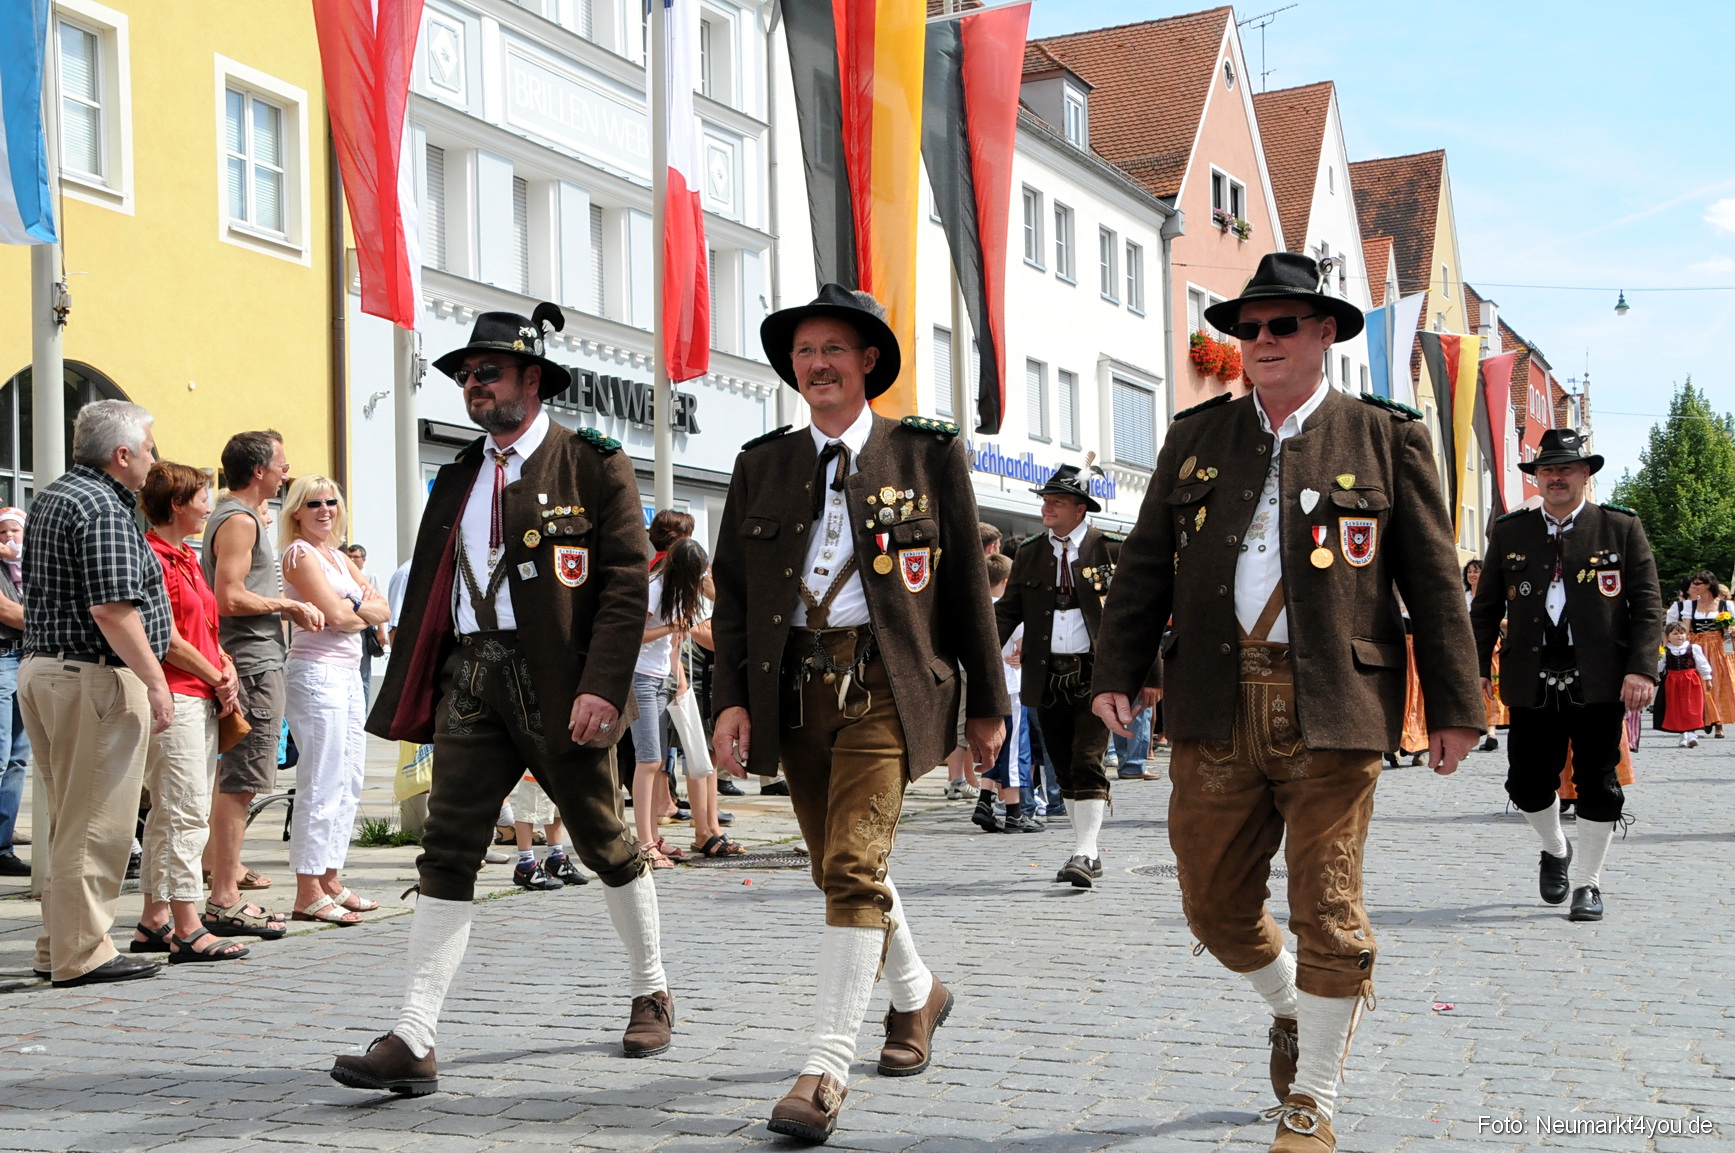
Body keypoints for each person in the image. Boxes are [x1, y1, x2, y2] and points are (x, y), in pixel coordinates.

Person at [1091, 252, 1484, 1153]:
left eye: (1280, 325)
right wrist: (1118, 668)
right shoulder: (1195, 437)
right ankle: (1289, 1010)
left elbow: (1431, 578)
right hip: (1213, 702)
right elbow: (1146, 563)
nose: (1259, 340)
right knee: (1214, 906)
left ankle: (1311, 1099)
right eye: (1247, 327)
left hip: (1334, 703)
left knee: (1328, 903)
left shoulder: (1382, 436)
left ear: (1324, 333)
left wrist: (1459, 702)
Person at [333, 302, 668, 1097]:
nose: (473, 385)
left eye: (487, 372)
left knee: (603, 838)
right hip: (472, 675)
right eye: (463, 376)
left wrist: (602, 687)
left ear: (530, 378)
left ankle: (651, 986)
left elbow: (623, 586)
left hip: (558, 679)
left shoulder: (590, 463)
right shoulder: (456, 473)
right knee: (447, 846)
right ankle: (414, 1034)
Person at [711, 284, 1007, 1142]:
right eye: (804, 353)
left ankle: (824, 1068)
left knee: (850, 863)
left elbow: (964, 595)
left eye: (833, 349)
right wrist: (730, 697)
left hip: (884, 686)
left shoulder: (925, 455)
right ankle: (917, 994)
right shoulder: (761, 462)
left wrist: (987, 706)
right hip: (793, 689)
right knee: (840, 865)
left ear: (867, 360)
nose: (817, 365)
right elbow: (732, 597)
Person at [1474, 427, 1663, 925]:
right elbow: (1486, 608)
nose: (1556, 477)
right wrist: (1474, 670)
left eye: (1566, 469)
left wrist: (1642, 667)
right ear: (1536, 478)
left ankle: (1589, 883)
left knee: (1598, 784)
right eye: (1547, 470)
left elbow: (1647, 606)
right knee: (1527, 783)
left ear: (1585, 474)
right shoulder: (1512, 530)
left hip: (1600, 676)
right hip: (1530, 674)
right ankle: (1555, 848)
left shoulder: (1620, 528)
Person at [20, 400, 176, 987]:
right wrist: (156, 681)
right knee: (97, 824)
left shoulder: (59, 495)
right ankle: (82, 953)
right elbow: (112, 608)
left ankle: (57, 945)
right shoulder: (103, 506)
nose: (153, 459)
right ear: (123, 454)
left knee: (71, 818)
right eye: (150, 448)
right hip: (91, 674)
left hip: (51, 670)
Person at [129, 463, 253, 963]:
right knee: (184, 812)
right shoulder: (153, 556)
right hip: (176, 694)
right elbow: (165, 636)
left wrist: (224, 664)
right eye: (202, 497)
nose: (209, 505)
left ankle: (153, 920)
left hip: (196, 692)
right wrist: (215, 672)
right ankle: (187, 925)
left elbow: (202, 623)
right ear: (177, 504)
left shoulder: (183, 555)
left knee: (170, 812)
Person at [202, 431, 320, 935]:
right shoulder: (240, 519)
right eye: (280, 466)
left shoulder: (238, 517)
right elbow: (228, 596)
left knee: (234, 780)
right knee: (243, 781)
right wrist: (288, 604)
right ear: (258, 472)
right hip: (250, 660)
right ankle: (224, 897)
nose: (284, 474)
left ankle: (220, 877)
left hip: (250, 658)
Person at [996, 465, 1126, 887]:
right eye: (1045, 499)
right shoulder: (1031, 552)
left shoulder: (1110, 549)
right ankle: (1083, 846)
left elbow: (1135, 616)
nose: (1046, 507)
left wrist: (1150, 675)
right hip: (1046, 675)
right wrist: (979, 654)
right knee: (1063, 766)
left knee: (1087, 760)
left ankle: (1085, 852)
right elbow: (1009, 611)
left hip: (1096, 674)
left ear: (1080, 508)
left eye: (1057, 500)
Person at [280, 475, 389, 924]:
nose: (325, 509)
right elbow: (338, 617)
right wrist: (357, 612)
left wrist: (355, 612)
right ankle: (307, 888)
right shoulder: (300, 554)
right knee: (322, 780)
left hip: (346, 674)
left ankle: (331, 879)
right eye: (314, 503)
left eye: (331, 502)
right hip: (316, 673)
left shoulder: (338, 558)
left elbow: (378, 609)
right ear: (296, 513)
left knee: (350, 779)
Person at [631, 537, 708, 867]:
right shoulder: (656, 586)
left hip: (661, 677)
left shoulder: (675, 589)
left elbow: (673, 642)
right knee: (648, 760)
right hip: (640, 677)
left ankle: (652, 839)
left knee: (659, 760)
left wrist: (677, 679)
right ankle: (645, 843)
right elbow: (633, 632)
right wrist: (668, 629)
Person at [971, 552, 1041, 833]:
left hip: (986, 688)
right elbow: (1024, 648)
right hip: (1011, 686)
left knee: (993, 747)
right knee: (1014, 750)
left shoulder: (977, 607)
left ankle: (985, 800)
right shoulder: (1009, 610)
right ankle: (1014, 810)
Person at [0, 507, 32, 877]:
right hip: (4, 656)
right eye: (4, 532)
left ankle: (2, 845)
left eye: (17, 531)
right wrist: (51, 620)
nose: (11, 538)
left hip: (26, 656)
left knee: (18, 757)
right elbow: (8, 612)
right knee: (1, 754)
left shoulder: (30, 570)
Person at [1666, 571, 1734, 737]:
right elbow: (1686, 629)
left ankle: (1718, 722)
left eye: (1697, 583)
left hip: (1719, 647)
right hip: (1697, 646)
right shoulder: (1690, 606)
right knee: (1698, 685)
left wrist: (1730, 629)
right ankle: (1704, 717)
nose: (1693, 586)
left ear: (1708, 585)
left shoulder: (1726, 606)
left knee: (1718, 684)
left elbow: (1732, 629)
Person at [1463, 560, 1504, 751]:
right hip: (1467, 646)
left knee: (1491, 686)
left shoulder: (1494, 597)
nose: (1472, 575)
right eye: (1469, 572)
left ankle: (1491, 731)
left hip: (1489, 644)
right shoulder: (1463, 597)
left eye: (1476, 571)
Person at [344, 544, 389, 703]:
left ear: (363, 559)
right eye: (349, 557)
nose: (352, 560)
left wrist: (381, 631)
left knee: (363, 673)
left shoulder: (370, 578)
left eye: (355, 557)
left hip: (365, 628)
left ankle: (362, 715)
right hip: (347, 628)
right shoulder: (344, 577)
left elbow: (379, 604)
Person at [1656, 621, 1712, 748]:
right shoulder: (1666, 651)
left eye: (1681, 633)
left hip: (1690, 680)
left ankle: (1692, 733)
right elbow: (1660, 667)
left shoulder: (1693, 648)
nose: (1679, 636)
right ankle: (1682, 733)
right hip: (1672, 681)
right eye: (1675, 634)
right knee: (1677, 708)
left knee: (1692, 707)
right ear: (1668, 636)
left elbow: (1702, 664)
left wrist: (1707, 678)